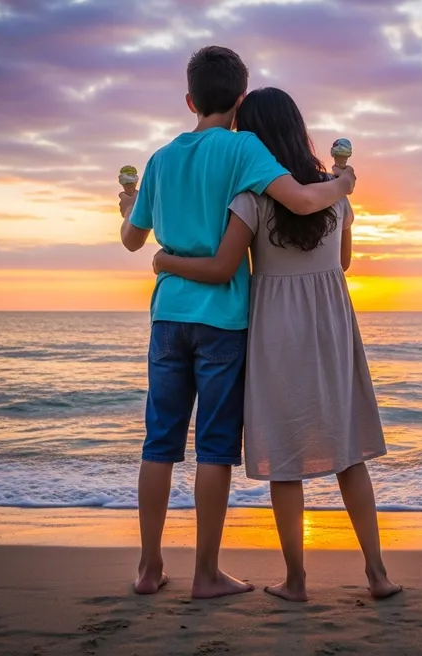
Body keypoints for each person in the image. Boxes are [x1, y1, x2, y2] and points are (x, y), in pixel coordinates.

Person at [118, 48, 356, 598]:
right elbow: (300, 200)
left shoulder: (160, 159)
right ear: (241, 99)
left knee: (159, 443)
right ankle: (205, 573)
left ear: (189, 100)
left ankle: (149, 569)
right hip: (223, 318)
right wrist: (343, 186)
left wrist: (128, 207)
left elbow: (132, 239)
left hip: (168, 315)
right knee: (215, 448)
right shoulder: (244, 146)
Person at [153, 87, 401, 602]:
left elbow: (225, 264)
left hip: (275, 332)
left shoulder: (251, 199)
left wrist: (165, 259)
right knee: (349, 454)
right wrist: (342, 185)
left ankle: (296, 580)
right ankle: (377, 574)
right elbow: (344, 263)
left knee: (286, 460)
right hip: (331, 328)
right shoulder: (335, 195)